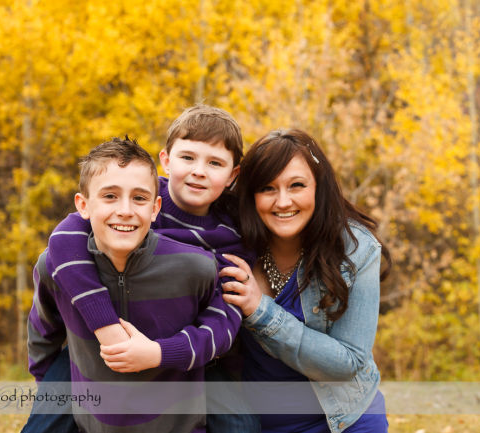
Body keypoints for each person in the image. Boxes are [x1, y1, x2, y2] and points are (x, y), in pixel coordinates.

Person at [26, 105, 259, 433]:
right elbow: (63, 238)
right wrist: (104, 324)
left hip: (187, 350)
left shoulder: (234, 232)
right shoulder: (139, 195)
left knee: (241, 424)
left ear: (233, 175)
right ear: (166, 160)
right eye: (188, 158)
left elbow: (222, 319)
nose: (199, 171)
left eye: (215, 163)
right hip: (100, 345)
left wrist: (163, 351)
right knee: (45, 421)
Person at [220, 129, 391, 432]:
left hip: (344, 421)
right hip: (260, 424)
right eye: (267, 188)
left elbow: (348, 362)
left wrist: (261, 310)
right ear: (250, 194)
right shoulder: (233, 242)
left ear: (318, 188)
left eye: (296, 185)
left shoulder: (355, 249)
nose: (283, 201)